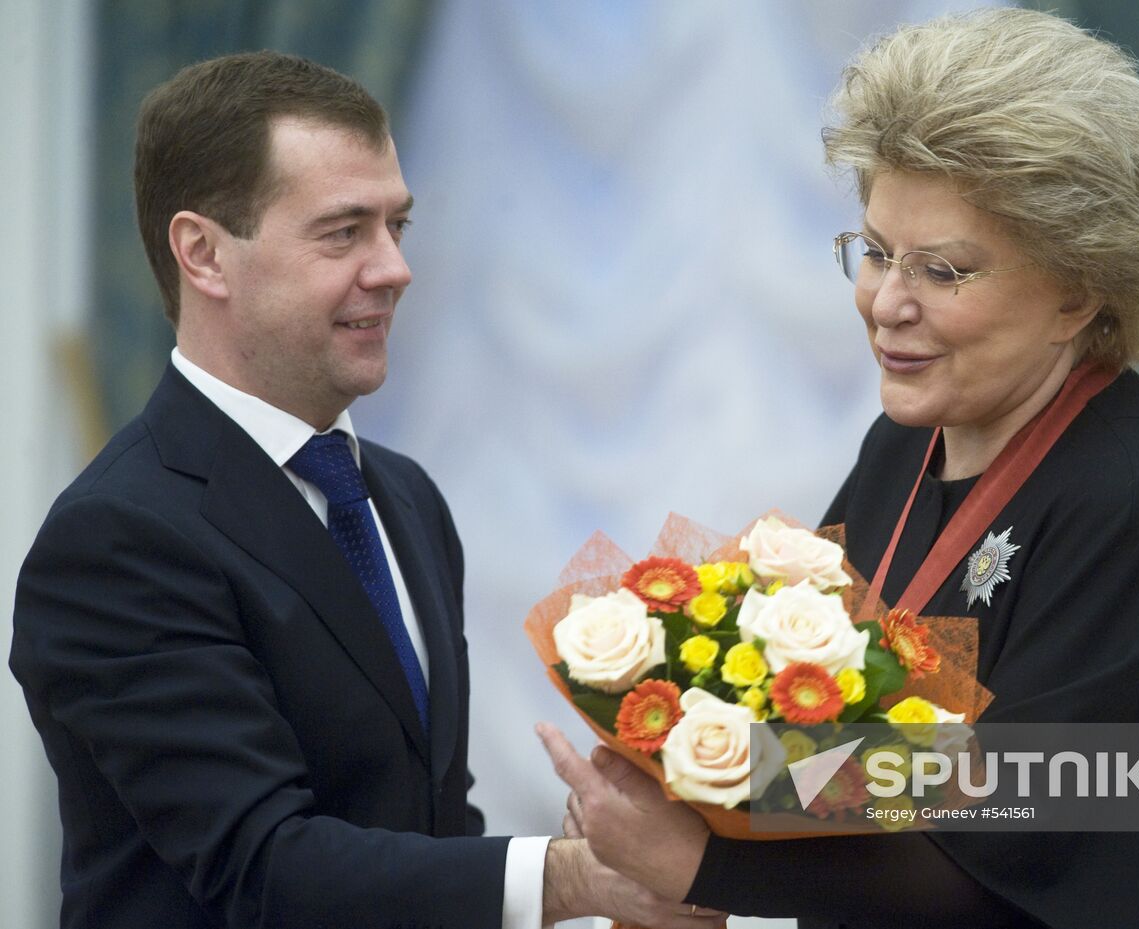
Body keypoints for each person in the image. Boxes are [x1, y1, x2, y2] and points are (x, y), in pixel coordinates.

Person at [538, 9, 1139, 928]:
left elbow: (1024, 866)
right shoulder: (905, 442)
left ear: (1076, 292)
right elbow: (852, 765)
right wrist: (689, 787)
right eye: (879, 252)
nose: (887, 303)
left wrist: (706, 865)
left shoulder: (1138, 505)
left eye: (943, 271)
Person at [9, 51, 723, 929]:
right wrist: (568, 879)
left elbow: (425, 829)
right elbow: (264, 868)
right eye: (344, 231)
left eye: (397, 226)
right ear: (203, 254)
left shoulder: (403, 498)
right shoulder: (118, 537)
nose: (393, 269)